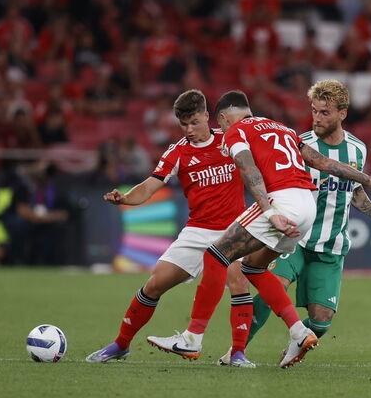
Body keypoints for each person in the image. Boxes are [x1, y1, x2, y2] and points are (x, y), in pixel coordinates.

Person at [146, 90, 371, 368]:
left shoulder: (236, 131)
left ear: (221, 117)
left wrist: (270, 211)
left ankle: (192, 338)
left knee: (215, 254)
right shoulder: (282, 128)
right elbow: (323, 163)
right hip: (307, 206)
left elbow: (247, 167)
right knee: (253, 268)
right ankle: (299, 332)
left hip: (282, 202)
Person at [226, 79, 371, 366]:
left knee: (322, 321)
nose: (317, 118)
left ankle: (296, 343)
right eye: (314, 111)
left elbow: (352, 189)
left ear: (342, 113)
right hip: (296, 239)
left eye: (325, 113)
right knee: (273, 290)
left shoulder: (357, 150)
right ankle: (236, 352)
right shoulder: (298, 145)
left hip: (331, 245)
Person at [86, 89, 252, 362]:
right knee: (153, 285)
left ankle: (238, 354)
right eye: (183, 124)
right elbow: (150, 186)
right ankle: (121, 344)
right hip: (198, 231)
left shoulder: (230, 141)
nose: (189, 129)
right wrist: (126, 198)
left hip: (233, 229)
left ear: (207, 117)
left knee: (239, 284)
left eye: (194, 123)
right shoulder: (177, 152)